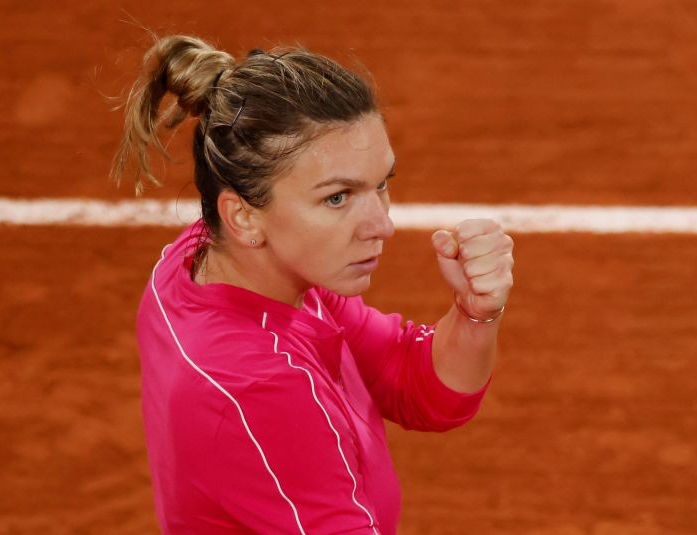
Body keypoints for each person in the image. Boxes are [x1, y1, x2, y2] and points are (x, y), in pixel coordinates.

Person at [112, 34, 514, 534]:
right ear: (243, 216)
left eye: (381, 184)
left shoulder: (218, 262)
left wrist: (474, 313)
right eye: (338, 198)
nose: (382, 224)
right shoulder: (260, 388)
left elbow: (415, 382)